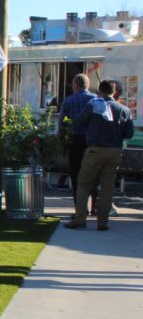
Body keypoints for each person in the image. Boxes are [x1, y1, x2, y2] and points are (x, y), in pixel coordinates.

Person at [64, 79, 134, 231]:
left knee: (83, 184)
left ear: (100, 91)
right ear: (114, 92)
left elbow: (78, 123)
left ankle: (80, 219)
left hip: (95, 149)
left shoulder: (93, 106)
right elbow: (129, 133)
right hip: (114, 151)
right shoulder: (124, 110)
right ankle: (103, 222)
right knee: (107, 187)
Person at [58, 73, 97, 214]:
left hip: (75, 140)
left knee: (76, 175)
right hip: (91, 142)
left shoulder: (68, 101)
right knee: (92, 174)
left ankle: (80, 208)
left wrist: (62, 140)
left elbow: (62, 124)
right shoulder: (95, 100)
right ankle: (94, 206)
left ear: (75, 85)